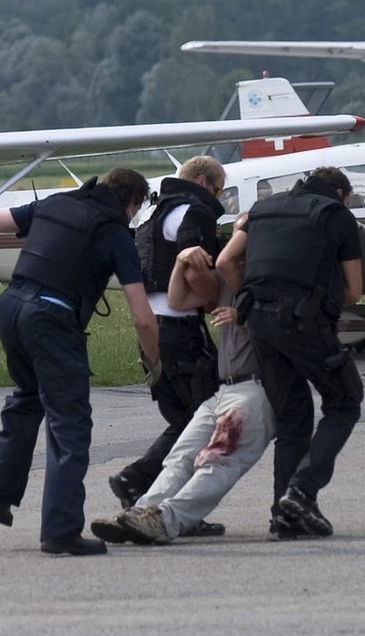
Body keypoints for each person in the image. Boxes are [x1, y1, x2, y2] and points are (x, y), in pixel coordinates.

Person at [0, 167, 160, 557]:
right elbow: (141, 314)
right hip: (51, 318)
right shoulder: (115, 231)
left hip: (12, 305)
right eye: (136, 210)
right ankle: (61, 530)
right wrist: (154, 363)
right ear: (132, 203)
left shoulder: (57, 202)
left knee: (27, 398)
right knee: (69, 424)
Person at [90, 229, 299, 545]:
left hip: (254, 391)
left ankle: (166, 520)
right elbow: (178, 299)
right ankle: (142, 512)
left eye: (240, 237)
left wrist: (248, 315)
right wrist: (179, 262)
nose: (229, 243)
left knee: (218, 463)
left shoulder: (271, 286)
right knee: (181, 456)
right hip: (224, 391)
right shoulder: (229, 284)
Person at [216, 166, 364, 538]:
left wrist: (247, 307)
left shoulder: (262, 209)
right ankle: (302, 490)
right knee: (344, 400)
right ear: (341, 192)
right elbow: (355, 291)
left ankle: (284, 516)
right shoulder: (336, 215)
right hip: (304, 321)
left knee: (293, 418)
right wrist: (321, 300)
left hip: (261, 325)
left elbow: (224, 262)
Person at [107, 156, 226, 531]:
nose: (219, 197)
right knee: (203, 421)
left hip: (151, 331)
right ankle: (147, 485)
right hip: (182, 330)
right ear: (205, 183)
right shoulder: (196, 213)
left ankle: (148, 492)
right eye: (220, 190)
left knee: (183, 419)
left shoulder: (150, 215)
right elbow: (195, 269)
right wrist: (218, 297)